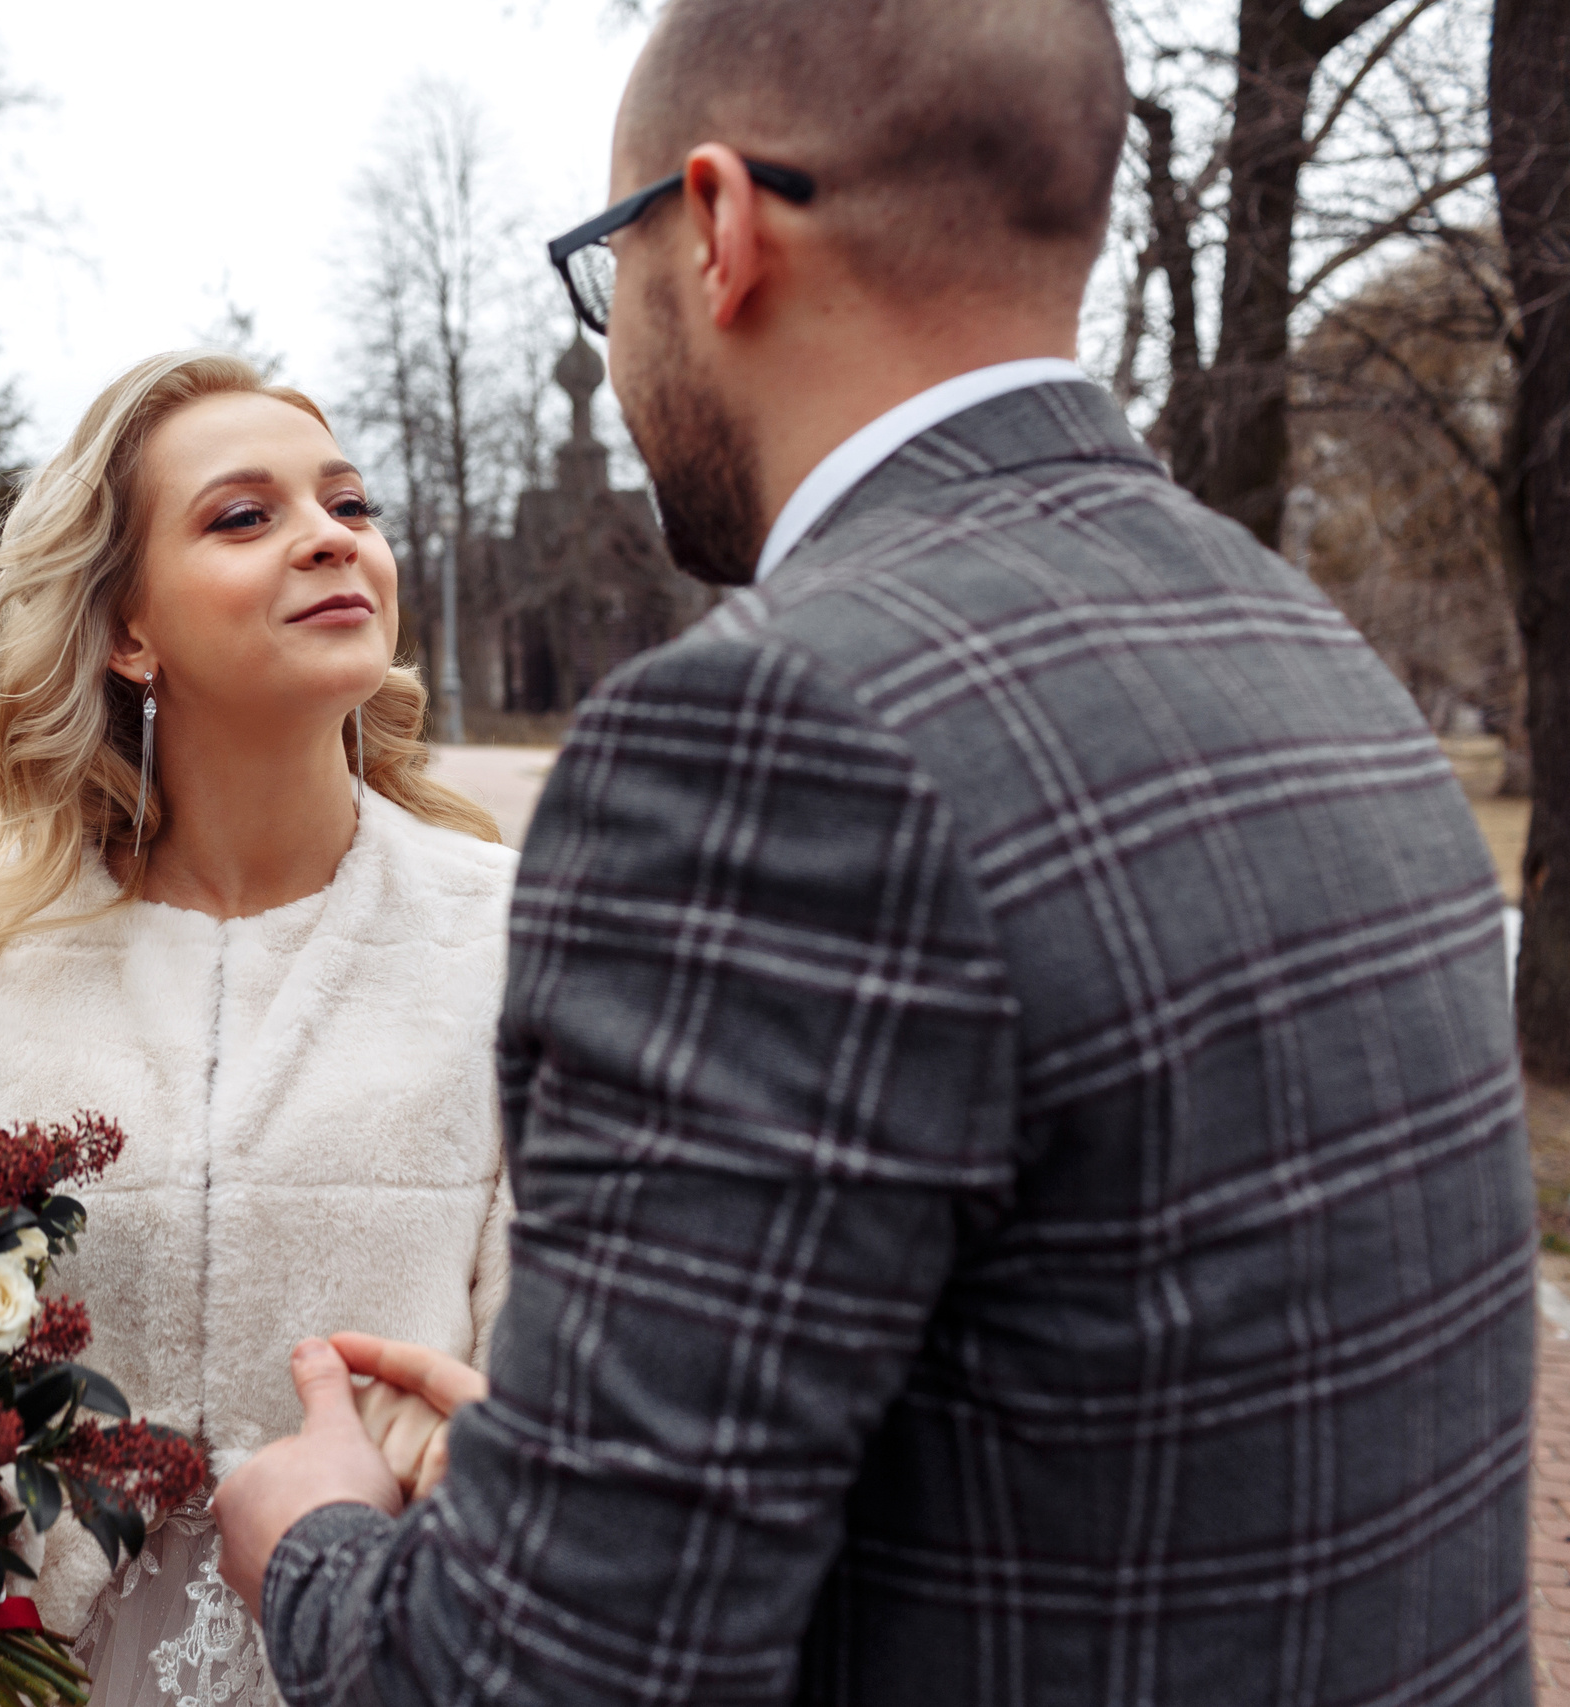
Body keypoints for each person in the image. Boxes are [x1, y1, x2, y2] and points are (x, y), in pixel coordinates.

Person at [214, 0, 1537, 1701]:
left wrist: (316, 1542)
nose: (616, 341)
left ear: (717, 228)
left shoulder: (772, 738)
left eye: (606, 262)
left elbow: (543, 1686)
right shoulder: (1300, 638)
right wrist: (580, 1491)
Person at [0, 351, 518, 1707]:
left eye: (351, 507)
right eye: (243, 516)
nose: (332, 538)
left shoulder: (514, 933)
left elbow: (553, 1395)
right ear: (129, 630)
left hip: (372, 1661)